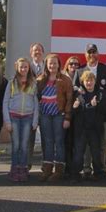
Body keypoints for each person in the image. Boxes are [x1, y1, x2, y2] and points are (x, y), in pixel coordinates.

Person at [74, 43, 106, 177]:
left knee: (102, 144)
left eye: (94, 52)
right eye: (89, 52)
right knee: (86, 145)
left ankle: (101, 168)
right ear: (86, 55)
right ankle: (87, 169)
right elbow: (75, 90)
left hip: (101, 115)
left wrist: (101, 99)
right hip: (84, 116)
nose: (92, 55)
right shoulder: (79, 71)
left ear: (98, 53)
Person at [36, 54, 73, 182]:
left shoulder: (65, 80)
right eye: (50, 63)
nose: (52, 66)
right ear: (46, 65)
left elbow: (69, 99)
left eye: (55, 63)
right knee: (47, 141)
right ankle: (47, 169)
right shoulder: (40, 79)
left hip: (59, 114)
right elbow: (37, 97)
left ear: (59, 65)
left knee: (59, 141)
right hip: (45, 115)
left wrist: (68, 117)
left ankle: (59, 170)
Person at [2, 58, 39, 182]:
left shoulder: (33, 84)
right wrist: (7, 121)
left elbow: (36, 103)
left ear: (29, 69)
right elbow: (5, 101)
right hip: (14, 117)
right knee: (16, 145)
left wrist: (35, 121)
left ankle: (23, 169)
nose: (23, 69)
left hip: (28, 118)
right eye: (21, 67)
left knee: (24, 146)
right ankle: (14, 169)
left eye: (26, 67)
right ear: (17, 68)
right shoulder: (12, 83)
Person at [72, 71, 106, 181]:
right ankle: (76, 173)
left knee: (96, 152)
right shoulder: (78, 94)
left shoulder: (100, 93)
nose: (89, 83)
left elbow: (105, 110)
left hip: (95, 129)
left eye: (91, 80)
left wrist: (96, 106)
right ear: (83, 81)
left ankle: (98, 172)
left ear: (95, 81)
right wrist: (75, 107)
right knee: (79, 153)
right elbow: (73, 112)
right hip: (81, 129)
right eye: (87, 80)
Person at [62, 55, 81, 175]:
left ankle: (75, 168)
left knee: (76, 142)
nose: (73, 66)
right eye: (71, 64)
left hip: (78, 116)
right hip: (64, 114)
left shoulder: (81, 78)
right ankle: (66, 167)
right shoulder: (62, 78)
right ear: (67, 66)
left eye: (76, 64)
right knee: (65, 142)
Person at [28, 42, 45, 171]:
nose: (37, 52)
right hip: (30, 108)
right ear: (31, 53)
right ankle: (26, 165)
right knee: (29, 139)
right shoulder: (26, 67)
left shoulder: (48, 67)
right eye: (35, 50)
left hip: (46, 107)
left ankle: (46, 165)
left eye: (39, 50)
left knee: (46, 138)